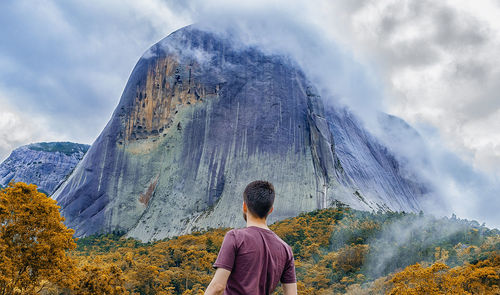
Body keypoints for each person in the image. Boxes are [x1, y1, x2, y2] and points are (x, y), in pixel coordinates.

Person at [204, 181, 297, 295]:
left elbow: (217, 287)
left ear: (244, 206)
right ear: (271, 209)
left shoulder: (235, 237)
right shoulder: (286, 249)